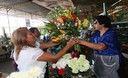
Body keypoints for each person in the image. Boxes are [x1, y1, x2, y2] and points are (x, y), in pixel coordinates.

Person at [11, 27, 76, 78]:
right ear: (24, 38)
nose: (34, 34)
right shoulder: (31, 51)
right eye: (30, 34)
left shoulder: (21, 47)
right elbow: (55, 57)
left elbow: (48, 44)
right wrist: (69, 45)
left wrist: (62, 39)